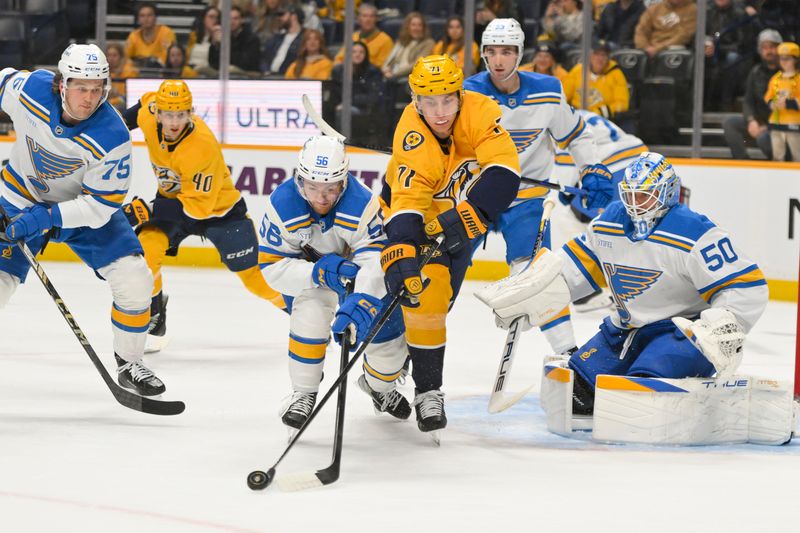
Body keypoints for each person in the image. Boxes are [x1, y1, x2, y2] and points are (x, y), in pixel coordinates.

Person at [477, 152, 768, 418]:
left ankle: (685, 380)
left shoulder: (695, 233)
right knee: (573, 395)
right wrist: (532, 294)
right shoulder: (609, 224)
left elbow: (747, 287)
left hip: (680, 332)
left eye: (644, 196)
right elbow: (571, 271)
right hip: (624, 332)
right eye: (630, 196)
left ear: (666, 193)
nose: (635, 205)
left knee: (638, 396)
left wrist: (719, 327)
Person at [0, 44, 167, 396]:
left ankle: (130, 363)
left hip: (80, 210)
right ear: (61, 84)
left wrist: (45, 218)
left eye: (97, 89)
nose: (89, 98)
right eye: (81, 87)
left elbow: (100, 206)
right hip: (17, 200)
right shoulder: (31, 90)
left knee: (135, 278)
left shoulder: (112, 135)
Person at [380, 54, 521, 434]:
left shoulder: (478, 111)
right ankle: (426, 390)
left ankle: (399, 369)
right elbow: (406, 205)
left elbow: (505, 173)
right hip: (417, 222)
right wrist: (402, 252)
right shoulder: (411, 136)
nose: (440, 112)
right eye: (429, 102)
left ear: (460, 95)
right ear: (415, 101)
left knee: (438, 307)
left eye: (447, 100)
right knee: (424, 298)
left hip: (459, 223)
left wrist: (468, 217)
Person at [464, 19, 614, 355]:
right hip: (475, 200)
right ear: (483, 54)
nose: (499, 59)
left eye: (507, 51)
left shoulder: (548, 89)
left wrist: (590, 169)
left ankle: (569, 355)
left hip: (527, 201)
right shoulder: (467, 93)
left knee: (539, 280)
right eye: (492, 52)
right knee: (437, 279)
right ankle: (393, 365)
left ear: (520, 54)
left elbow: (573, 134)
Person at [258, 136, 411, 431]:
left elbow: (375, 260)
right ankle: (303, 393)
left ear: (344, 182)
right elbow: (271, 266)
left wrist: (360, 301)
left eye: (330, 188)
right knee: (309, 316)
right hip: (314, 278)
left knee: (388, 345)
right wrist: (316, 273)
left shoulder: (363, 203)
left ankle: (379, 387)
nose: (321, 197)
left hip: (362, 280)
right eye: (312, 187)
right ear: (299, 179)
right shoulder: (282, 204)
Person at [120, 80, 286, 341]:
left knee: (256, 280)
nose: (174, 122)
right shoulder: (149, 114)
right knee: (145, 252)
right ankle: (155, 313)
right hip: (173, 204)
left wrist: (145, 209)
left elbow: (196, 209)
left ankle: (300, 313)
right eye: (168, 114)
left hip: (220, 213)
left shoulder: (202, 146)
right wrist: (111, 130)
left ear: (190, 113)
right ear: (158, 112)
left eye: (181, 115)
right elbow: (140, 105)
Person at [722, 28, 781, 160]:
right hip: (760, 120)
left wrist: (768, 127)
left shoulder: (789, 74)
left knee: (763, 138)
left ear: (780, 48)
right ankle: (742, 162)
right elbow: (748, 100)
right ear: (760, 50)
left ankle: (777, 166)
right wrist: (751, 120)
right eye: (765, 48)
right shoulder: (755, 72)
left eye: (772, 47)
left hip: (781, 125)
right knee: (730, 123)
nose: (769, 51)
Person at [562, 39, 630, 119]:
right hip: (577, 117)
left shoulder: (616, 74)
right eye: (596, 54)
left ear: (608, 58)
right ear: (589, 56)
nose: (600, 58)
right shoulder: (578, 70)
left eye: (604, 55)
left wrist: (597, 112)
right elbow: (563, 96)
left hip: (604, 119)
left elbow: (622, 104)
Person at [765, 41, 800, 161]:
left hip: (794, 122)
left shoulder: (798, 79)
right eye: (781, 59)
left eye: (787, 59)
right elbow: (768, 95)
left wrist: (789, 103)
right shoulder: (775, 78)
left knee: (797, 154)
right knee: (777, 155)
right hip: (776, 121)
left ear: (795, 60)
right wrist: (772, 104)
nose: (784, 62)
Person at [334, 3, 393, 68]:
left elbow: (380, 66)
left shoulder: (385, 40)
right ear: (359, 19)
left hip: (370, 76)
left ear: (376, 19)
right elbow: (339, 59)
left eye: (371, 16)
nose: (368, 19)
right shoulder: (353, 37)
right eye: (364, 16)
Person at [381, 11, 435, 80]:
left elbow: (417, 64)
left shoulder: (428, 43)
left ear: (423, 28)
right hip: (392, 75)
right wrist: (385, 70)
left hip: (408, 77)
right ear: (407, 27)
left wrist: (394, 74)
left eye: (419, 25)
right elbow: (390, 59)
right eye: (413, 25)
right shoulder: (401, 41)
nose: (416, 28)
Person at [209, 6, 262, 73]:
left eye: (235, 18)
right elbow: (212, 62)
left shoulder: (251, 39)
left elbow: (245, 64)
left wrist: (224, 45)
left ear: (242, 20)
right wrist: (215, 44)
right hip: (222, 74)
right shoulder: (223, 36)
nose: (232, 22)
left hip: (245, 75)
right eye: (229, 19)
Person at [125, 2, 176, 67]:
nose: (146, 19)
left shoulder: (166, 32)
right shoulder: (133, 35)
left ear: (155, 17)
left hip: (162, 72)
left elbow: (169, 58)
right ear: (138, 19)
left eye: (149, 15)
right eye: (142, 16)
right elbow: (125, 58)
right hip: (138, 73)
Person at [262, 4, 306, 75]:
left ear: (294, 16)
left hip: (288, 77)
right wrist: (266, 71)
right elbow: (264, 58)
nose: (279, 18)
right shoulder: (276, 37)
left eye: (282, 15)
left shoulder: (305, 38)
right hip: (268, 76)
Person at [106, 43, 139, 111]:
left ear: (121, 57)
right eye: (109, 55)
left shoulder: (130, 71)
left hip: (124, 107)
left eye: (114, 55)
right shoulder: (103, 72)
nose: (111, 58)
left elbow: (128, 97)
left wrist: (110, 102)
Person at [186, 5, 220, 71]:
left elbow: (216, 62)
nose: (215, 20)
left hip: (209, 71)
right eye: (211, 17)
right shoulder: (194, 35)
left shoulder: (220, 37)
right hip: (191, 69)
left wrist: (216, 42)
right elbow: (188, 56)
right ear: (204, 18)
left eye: (217, 18)